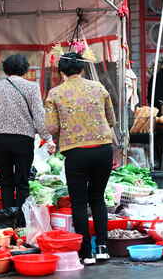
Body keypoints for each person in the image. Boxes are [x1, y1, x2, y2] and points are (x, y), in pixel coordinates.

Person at [45, 53, 116, 265]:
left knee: (79, 202)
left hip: (75, 153)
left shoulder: (55, 93)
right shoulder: (98, 88)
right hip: (103, 148)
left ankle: (85, 253)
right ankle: (102, 247)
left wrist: (59, 139)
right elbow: (111, 119)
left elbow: (52, 127)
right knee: (97, 198)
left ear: (61, 72)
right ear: (82, 69)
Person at [0, 54, 55, 216]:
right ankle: (21, 219)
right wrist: (48, 138)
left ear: (6, 68)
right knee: (22, 182)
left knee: (6, 181)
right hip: (23, 139)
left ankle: (8, 215)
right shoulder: (32, 87)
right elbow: (39, 115)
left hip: (1, 139)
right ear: (25, 69)